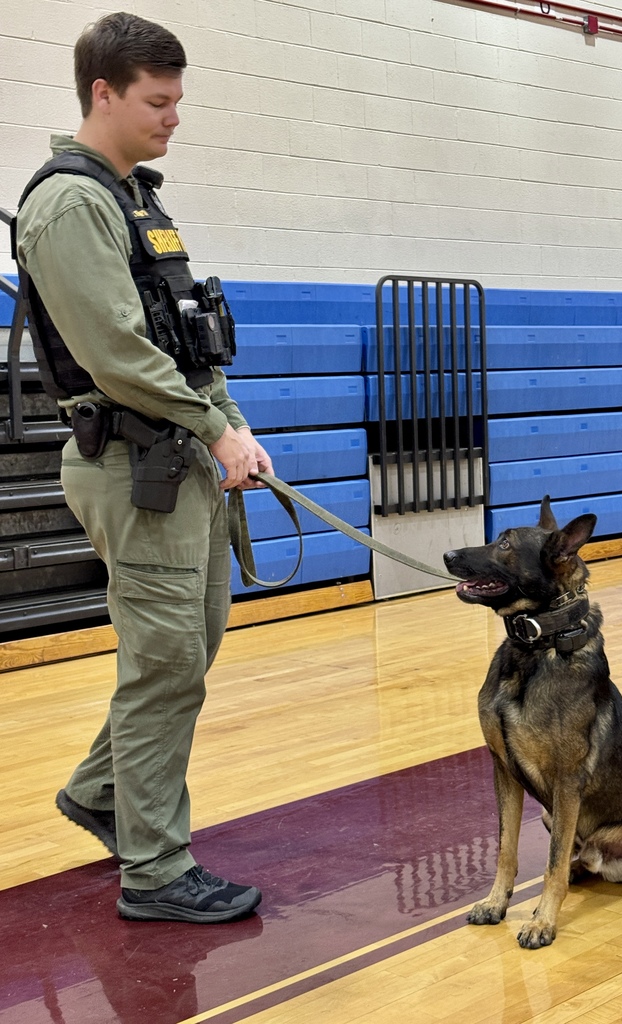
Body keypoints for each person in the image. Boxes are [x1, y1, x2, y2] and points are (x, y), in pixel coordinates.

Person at [13, 12, 272, 923]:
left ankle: (101, 792)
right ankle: (156, 870)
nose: (173, 118)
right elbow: (119, 353)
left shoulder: (135, 200)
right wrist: (212, 427)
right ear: (103, 93)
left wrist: (232, 427)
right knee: (163, 664)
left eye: (176, 100)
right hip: (131, 463)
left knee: (182, 656)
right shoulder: (72, 203)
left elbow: (188, 342)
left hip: (175, 456)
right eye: (157, 101)